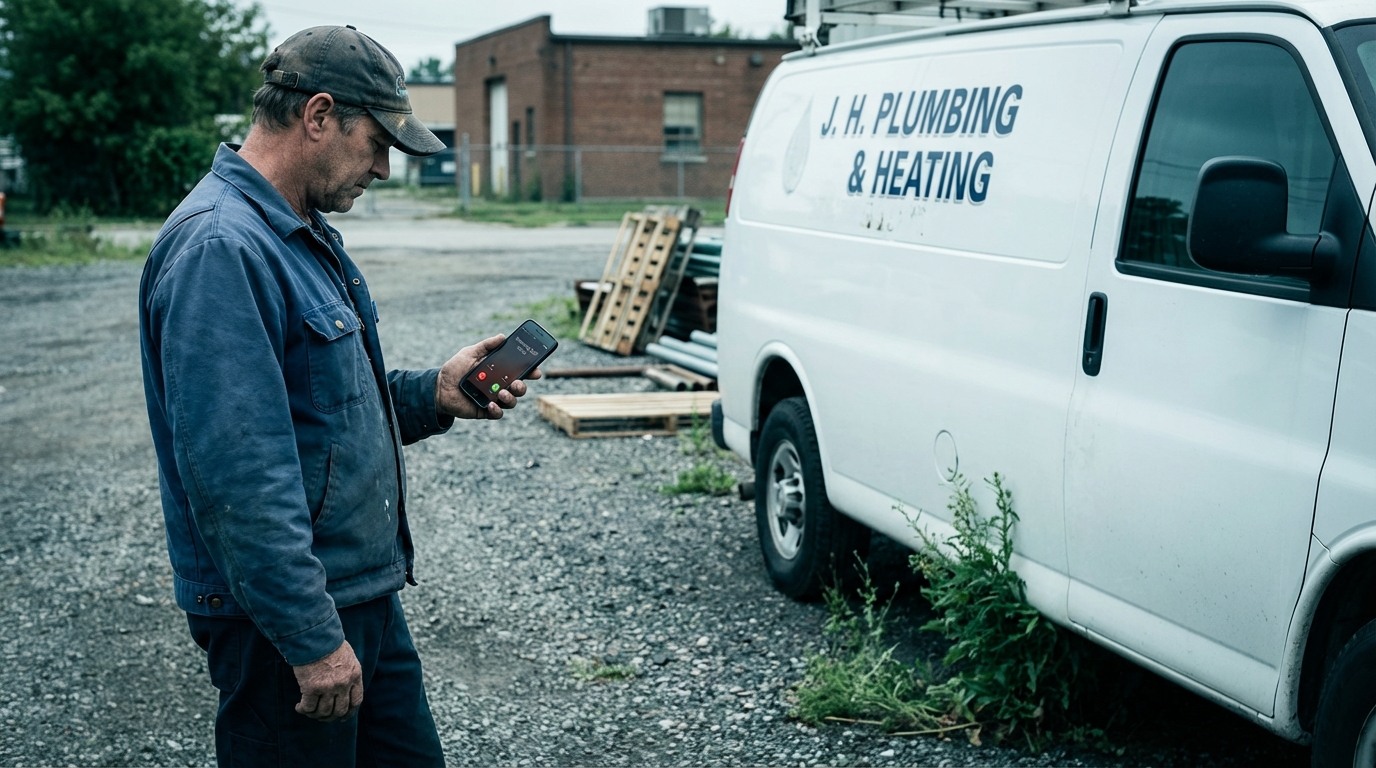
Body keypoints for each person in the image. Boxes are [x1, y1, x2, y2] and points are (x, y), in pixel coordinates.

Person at [138, 26, 530, 766]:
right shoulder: (223, 248)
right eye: (377, 143)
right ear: (318, 115)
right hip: (288, 624)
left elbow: (318, 406)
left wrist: (434, 394)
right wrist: (312, 641)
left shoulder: (295, 231)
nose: (384, 168)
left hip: (357, 595)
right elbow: (238, 477)